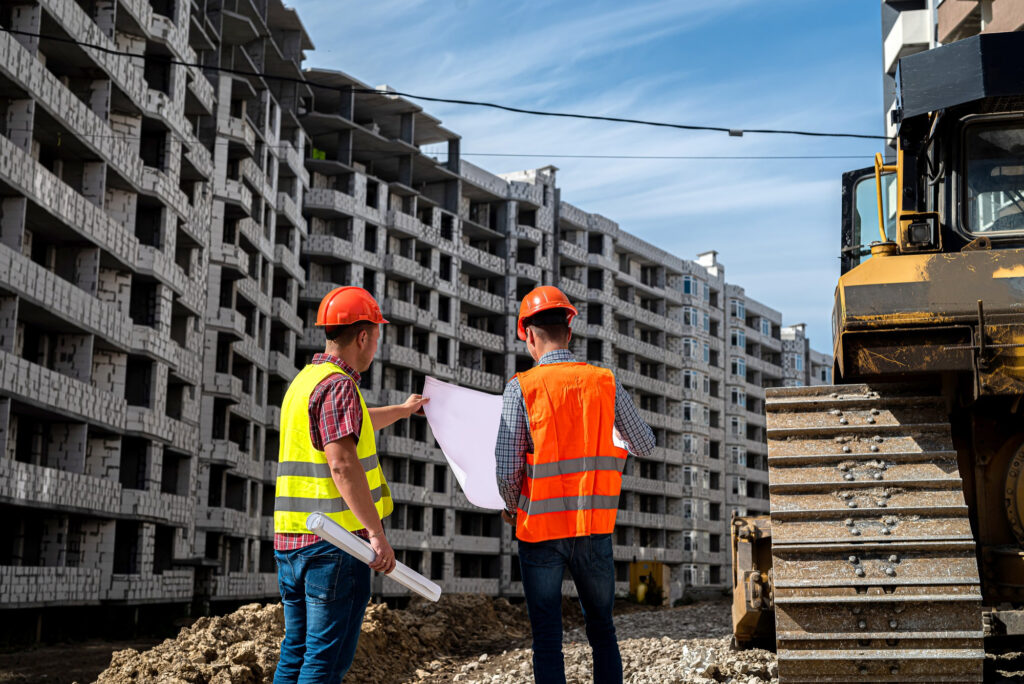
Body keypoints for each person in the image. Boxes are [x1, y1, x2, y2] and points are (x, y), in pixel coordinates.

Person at [496, 285, 656, 684]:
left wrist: (511, 505)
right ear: (570, 331)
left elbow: (506, 468)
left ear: (529, 336)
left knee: (547, 635)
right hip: (594, 528)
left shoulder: (522, 388)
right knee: (602, 630)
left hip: (539, 532)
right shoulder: (604, 382)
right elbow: (645, 444)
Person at [273, 286, 428, 683]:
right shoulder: (340, 385)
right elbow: (342, 464)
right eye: (376, 334)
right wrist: (376, 535)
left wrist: (403, 410)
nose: (376, 343)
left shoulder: (306, 382)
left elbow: (352, 423)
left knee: (296, 651)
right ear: (364, 336)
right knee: (325, 661)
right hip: (336, 546)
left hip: (292, 543)